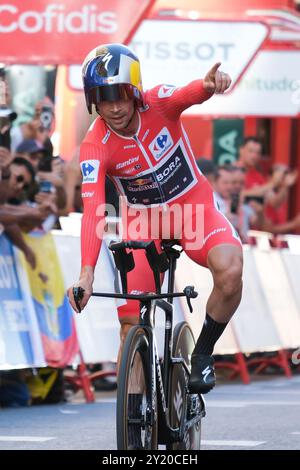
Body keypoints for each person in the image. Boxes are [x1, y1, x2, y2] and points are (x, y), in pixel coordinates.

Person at [67, 44, 243, 394]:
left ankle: (204, 353)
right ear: (93, 102)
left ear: (135, 92)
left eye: (121, 96)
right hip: (142, 223)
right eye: (104, 98)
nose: (115, 107)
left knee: (231, 269)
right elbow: (93, 210)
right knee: (130, 323)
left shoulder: (158, 103)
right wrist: (86, 274)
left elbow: (187, 95)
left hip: (193, 210)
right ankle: (133, 421)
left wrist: (208, 86)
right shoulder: (95, 145)